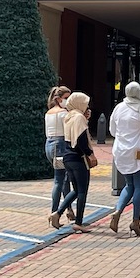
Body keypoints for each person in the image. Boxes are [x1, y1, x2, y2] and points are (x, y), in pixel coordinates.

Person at [109, 81, 140, 236]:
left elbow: (112, 130)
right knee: (139, 187)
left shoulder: (118, 108)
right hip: (139, 153)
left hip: (121, 152)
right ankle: (135, 221)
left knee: (129, 185)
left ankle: (117, 211)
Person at [59, 91, 99, 232]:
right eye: (86, 104)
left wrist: (85, 118)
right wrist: (90, 154)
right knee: (82, 191)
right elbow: (81, 139)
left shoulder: (69, 117)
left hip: (68, 157)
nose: (88, 107)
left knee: (75, 190)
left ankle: (57, 213)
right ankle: (79, 222)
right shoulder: (78, 118)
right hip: (78, 158)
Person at [44, 86, 72, 229]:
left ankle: (69, 209)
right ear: (58, 99)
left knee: (63, 178)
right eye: (66, 98)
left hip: (49, 144)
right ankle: (55, 212)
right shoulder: (63, 113)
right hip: (60, 146)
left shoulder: (48, 113)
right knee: (59, 180)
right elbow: (69, 130)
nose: (68, 101)